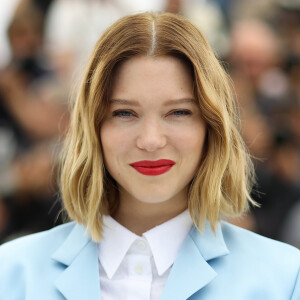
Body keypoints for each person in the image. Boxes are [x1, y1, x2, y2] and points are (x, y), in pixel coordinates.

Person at [0, 12, 299, 300]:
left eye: (179, 112)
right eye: (125, 113)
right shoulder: (11, 274)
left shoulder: (285, 279)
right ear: (93, 128)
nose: (151, 140)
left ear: (211, 127)